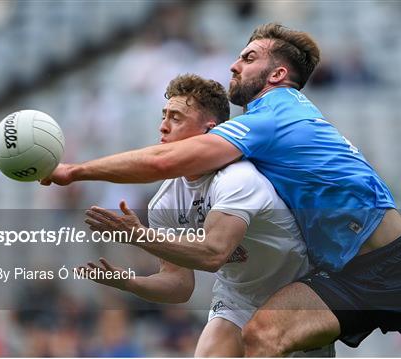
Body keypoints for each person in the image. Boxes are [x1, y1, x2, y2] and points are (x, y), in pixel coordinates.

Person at [42, 23, 401, 356]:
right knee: (261, 335)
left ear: (277, 74)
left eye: (249, 57)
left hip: (399, 266)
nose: (235, 64)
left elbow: (165, 160)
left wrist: (74, 171)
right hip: (340, 275)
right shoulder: (260, 132)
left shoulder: (272, 116)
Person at [76, 74, 333, 357]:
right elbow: (179, 285)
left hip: (295, 294)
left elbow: (213, 255)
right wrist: (129, 282)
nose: (163, 126)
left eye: (176, 117)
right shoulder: (166, 200)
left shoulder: (237, 179)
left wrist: (139, 236)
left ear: (209, 131)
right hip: (237, 298)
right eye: (164, 115)